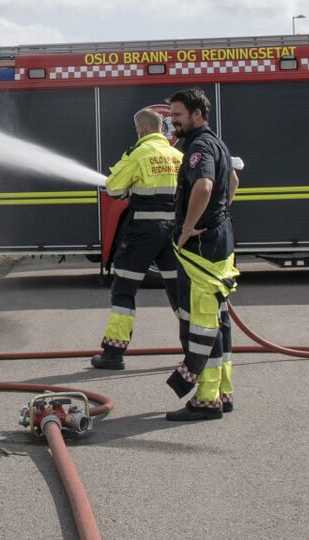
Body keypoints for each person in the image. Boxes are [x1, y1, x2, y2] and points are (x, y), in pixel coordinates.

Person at [164, 88, 240, 422]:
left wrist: (188, 227)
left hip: (200, 249)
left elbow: (205, 185)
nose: (174, 122)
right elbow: (233, 179)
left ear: (197, 114)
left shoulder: (199, 146)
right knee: (219, 322)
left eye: (178, 115)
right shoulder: (217, 142)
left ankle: (207, 401)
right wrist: (220, 215)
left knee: (200, 324)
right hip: (219, 241)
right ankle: (222, 392)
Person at [90, 107, 182, 370]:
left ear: (142, 130)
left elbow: (113, 187)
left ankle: (114, 353)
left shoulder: (138, 154)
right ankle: (194, 348)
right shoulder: (178, 155)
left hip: (142, 230)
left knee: (125, 288)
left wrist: (129, 188)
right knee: (179, 290)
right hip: (174, 231)